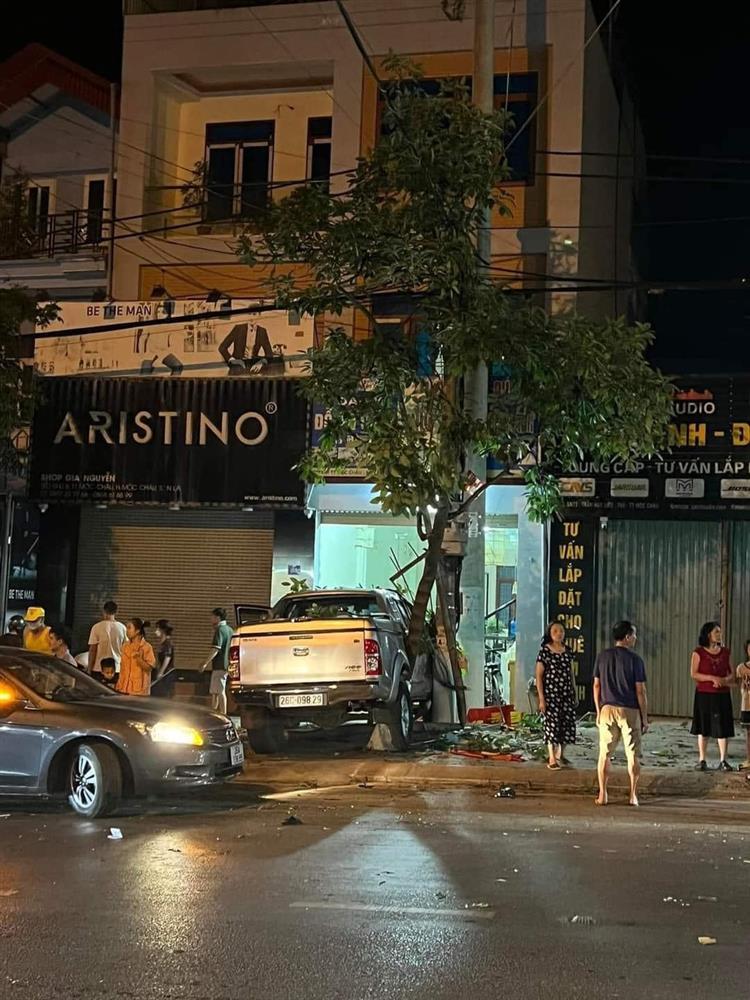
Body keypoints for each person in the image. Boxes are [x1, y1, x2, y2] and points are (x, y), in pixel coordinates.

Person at [593, 620, 649, 807]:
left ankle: (603, 795)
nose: (635, 638)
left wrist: (598, 710)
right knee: (632, 754)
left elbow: (596, 685)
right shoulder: (635, 660)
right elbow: (640, 691)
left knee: (604, 754)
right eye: (634, 634)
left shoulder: (602, 657)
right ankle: (632, 795)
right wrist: (644, 717)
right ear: (627, 637)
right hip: (629, 710)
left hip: (607, 709)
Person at [690, 621, 734, 771]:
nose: (719, 634)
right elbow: (694, 674)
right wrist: (711, 678)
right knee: (704, 727)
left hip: (722, 694)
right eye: (716, 632)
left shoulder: (726, 652)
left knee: (722, 727)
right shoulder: (698, 652)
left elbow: (732, 674)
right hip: (704, 694)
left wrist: (723, 681)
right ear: (708, 634)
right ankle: (702, 759)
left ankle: (723, 760)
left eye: (720, 632)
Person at [535, 621, 577, 770]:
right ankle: (551, 757)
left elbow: (571, 673)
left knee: (567, 724)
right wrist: (541, 699)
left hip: (566, 693)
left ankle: (561, 753)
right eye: (555, 631)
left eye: (561, 631)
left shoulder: (568, 651)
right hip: (551, 695)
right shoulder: (545, 652)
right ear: (550, 634)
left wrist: (574, 692)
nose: (559, 633)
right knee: (551, 725)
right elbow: (539, 676)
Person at [201, 608, 233, 715]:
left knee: (219, 691)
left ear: (217, 617)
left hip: (220, 664)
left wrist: (205, 662)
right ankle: (214, 712)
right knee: (215, 690)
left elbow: (216, 648)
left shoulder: (220, 630)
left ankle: (223, 714)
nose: (211, 619)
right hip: (227, 664)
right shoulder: (230, 630)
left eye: (212, 616)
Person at [116, 619, 156, 696]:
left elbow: (149, 668)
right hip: (123, 688)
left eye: (129, 628)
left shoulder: (146, 647)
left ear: (137, 631)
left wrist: (139, 659)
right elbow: (122, 668)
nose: (126, 631)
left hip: (139, 690)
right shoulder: (125, 646)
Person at [88, 601, 127, 677]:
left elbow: (93, 650)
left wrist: (89, 669)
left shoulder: (96, 627)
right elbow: (126, 650)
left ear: (104, 611)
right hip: (117, 668)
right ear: (116, 612)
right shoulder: (122, 628)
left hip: (99, 668)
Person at [150, 619, 176, 697]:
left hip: (167, 674)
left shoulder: (167, 643)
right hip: (162, 673)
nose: (156, 631)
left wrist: (161, 672)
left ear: (163, 630)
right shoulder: (162, 643)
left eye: (158, 628)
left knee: (164, 694)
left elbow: (167, 657)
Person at [735, 640, 750, 771]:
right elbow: (738, 684)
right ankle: (749, 760)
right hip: (746, 704)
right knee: (748, 733)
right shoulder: (741, 668)